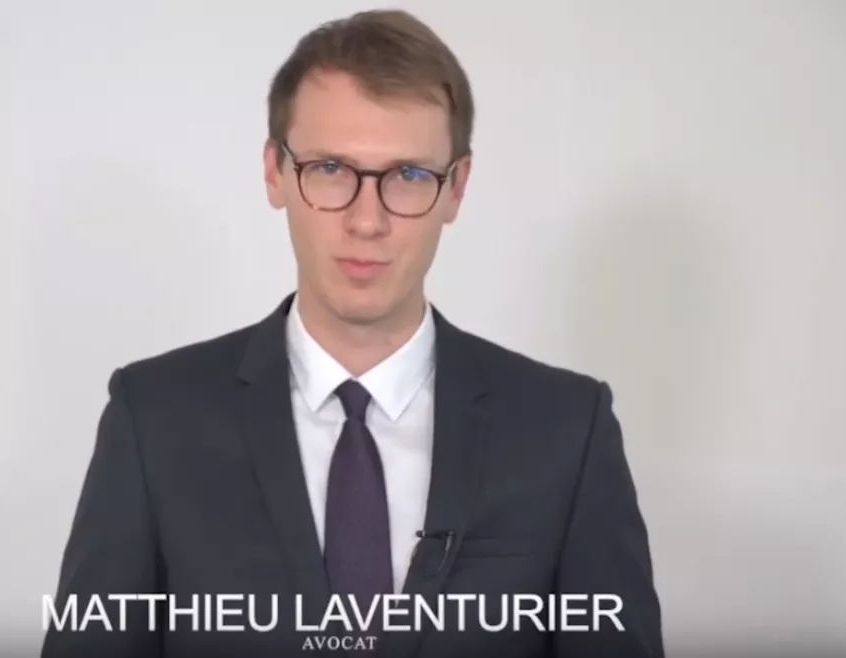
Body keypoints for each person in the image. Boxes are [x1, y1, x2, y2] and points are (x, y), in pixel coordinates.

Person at [41, 8, 662, 658]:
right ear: (275, 173)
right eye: (331, 169)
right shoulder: (154, 421)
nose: (367, 221)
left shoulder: (567, 431)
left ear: (457, 189)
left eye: (409, 176)